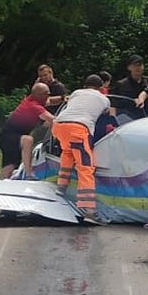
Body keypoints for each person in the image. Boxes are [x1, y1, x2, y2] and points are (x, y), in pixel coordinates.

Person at [53, 74, 111, 225]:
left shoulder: (76, 93)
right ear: (101, 88)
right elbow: (106, 113)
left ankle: (61, 188)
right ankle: (89, 211)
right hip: (79, 128)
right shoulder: (104, 99)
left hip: (59, 125)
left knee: (67, 152)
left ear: (85, 85)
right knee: (86, 167)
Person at [0, 83, 55, 179]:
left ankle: (4, 185)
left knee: (10, 167)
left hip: (9, 136)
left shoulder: (32, 99)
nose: (48, 97)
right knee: (28, 140)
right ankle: (29, 173)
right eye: (47, 94)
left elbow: (51, 102)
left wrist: (63, 98)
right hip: (9, 137)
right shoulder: (33, 106)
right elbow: (53, 119)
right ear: (39, 95)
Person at [109, 54, 148, 120]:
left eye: (140, 65)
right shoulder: (121, 84)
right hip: (128, 120)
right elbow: (114, 105)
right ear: (129, 67)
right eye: (135, 65)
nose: (138, 68)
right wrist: (112, 121)